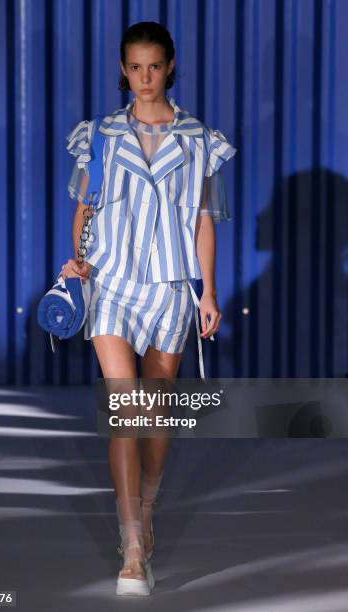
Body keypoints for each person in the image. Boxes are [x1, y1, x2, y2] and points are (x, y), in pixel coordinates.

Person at [61, 21, 237, 596]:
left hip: (168, 286)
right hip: (111, 282)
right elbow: (86, 209)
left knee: (154, 414)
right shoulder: (99, 135)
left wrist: (208, 291)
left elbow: (204, 221)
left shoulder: (200, 139)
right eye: (133, 67)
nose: (143, 78)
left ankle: (148, 508)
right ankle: (132, 545)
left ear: (170, 66)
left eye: (153, 67)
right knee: (125, 409)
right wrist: (77, 261)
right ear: (122, 69)